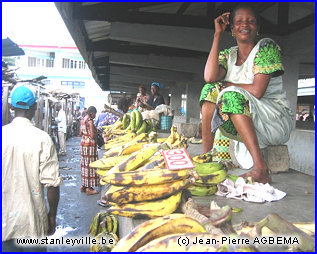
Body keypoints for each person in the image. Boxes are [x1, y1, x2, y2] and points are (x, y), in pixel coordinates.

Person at [200, 4, 293, 183]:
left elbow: (257, 91)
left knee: (230, 95)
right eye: (239, 21)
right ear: (232, 29)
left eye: (251, 21)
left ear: (257, 28)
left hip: (273, 119)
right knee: (209, 90)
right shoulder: (229, 55)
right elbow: (209, 77)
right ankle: (206, 159)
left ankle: (261, 167)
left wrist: (227, 85)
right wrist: (217, 34)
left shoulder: (267, 47)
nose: (245, 25)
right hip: (248, 120)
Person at [2, 85, 62, 251]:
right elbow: (52, 185)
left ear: (12, 107)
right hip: (32, 224)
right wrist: (52, 216)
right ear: (35, 107)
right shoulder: (43, 139)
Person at [79, 106, 100, 195]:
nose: (95, 115)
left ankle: (84, 185)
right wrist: (95, 134)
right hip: (90, 145)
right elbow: (91, 135)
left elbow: (80, 133)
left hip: (83, 143)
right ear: (92, 113)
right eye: (95, 113)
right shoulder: (90, 121)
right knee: (90, 165)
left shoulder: (83, 120)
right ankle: (89, 188)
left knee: (84, 164)